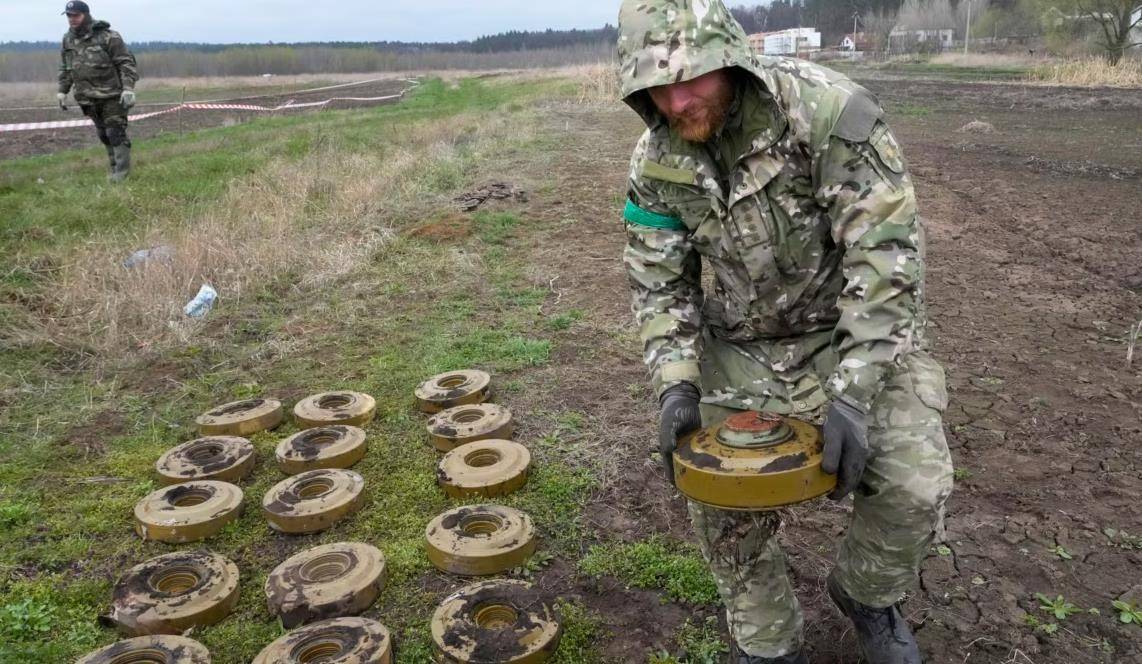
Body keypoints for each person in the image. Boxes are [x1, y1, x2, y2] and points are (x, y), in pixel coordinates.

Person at [616, 2, 954, 663]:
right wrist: (676, 389)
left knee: (915, 486)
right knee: (714, 495)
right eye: (657, 85)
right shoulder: (654, 162)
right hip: (741, 346)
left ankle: (867, 595)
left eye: (694, 78)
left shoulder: (829, 115)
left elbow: (884, 263)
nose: (678, 100)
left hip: (847, 332)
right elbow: (660, 285)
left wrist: (853, 395)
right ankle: (768, 643)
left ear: (732, 62)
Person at [57, 1, 138, 182]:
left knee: (115, 132)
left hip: (112, 96)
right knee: (103, 134)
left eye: (76, 15)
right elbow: (67, 67)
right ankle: (114, 168)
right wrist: (62, 91)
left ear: (86, 14)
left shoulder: (108, 36)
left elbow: (126, 63)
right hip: (87, 97)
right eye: (69, 16)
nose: (72, 19)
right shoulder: (67, 39)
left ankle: (121, 176)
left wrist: (128, 89)